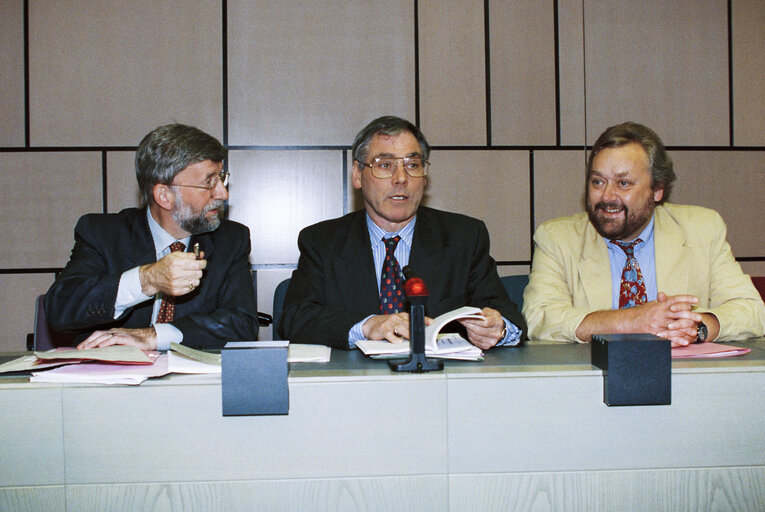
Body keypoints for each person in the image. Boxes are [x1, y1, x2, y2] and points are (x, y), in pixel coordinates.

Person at [278, 115, 526, 350]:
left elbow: (508, 315)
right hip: (355, 386)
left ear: (425, 176)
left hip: (442, 384)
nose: (401, 178)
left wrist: (500, 328)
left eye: (412, 165)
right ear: (357, 175)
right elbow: (295, 320)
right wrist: (366, 326)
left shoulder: (464, 237)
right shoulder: (323, 241)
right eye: (385, 165)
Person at [523, 121, 765, 346]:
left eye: (623, 183)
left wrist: (698, 327)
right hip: (595, 382)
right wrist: (629, 321)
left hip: (683, 379)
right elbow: (539, 318)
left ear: (657, 190)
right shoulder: (557, 238)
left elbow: (751, 311)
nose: (607, 196)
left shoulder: (702, 229)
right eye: (597, 182)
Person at [45, 123, 259, 350]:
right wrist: (146, 280)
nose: (223, 193)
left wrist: (154, 336)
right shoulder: (103, 234)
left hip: (192, 381)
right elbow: (60, 309)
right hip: (114, 379)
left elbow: (242, 324)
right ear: (164, 196)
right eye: (209, 182)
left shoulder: (231, 239)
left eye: (221, 178)